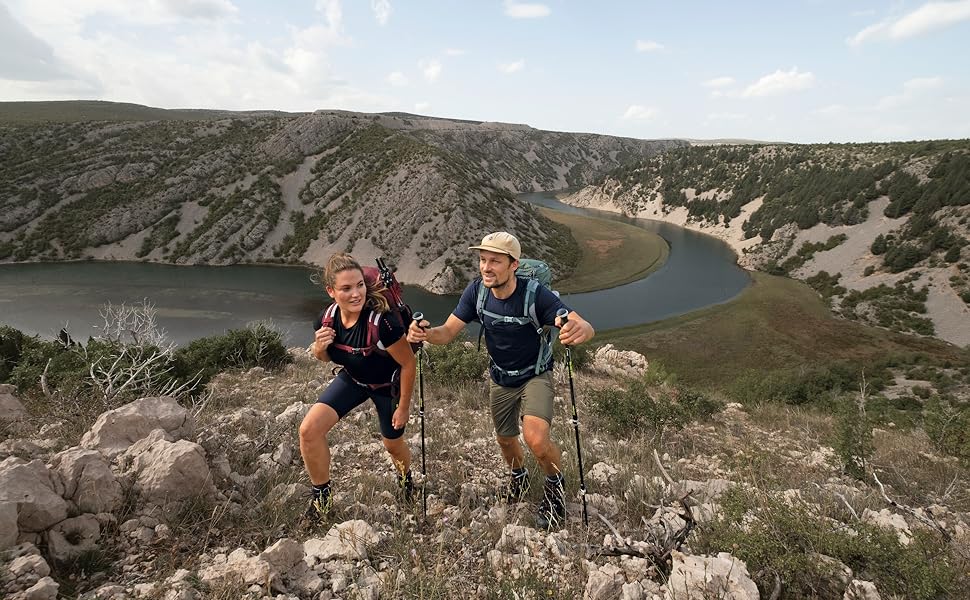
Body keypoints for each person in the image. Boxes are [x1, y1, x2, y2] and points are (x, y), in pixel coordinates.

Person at [407, 231, 594, 529]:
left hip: (535, 374)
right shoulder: (476, 292)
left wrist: (581, 329)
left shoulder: (535, 294)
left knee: (535, 439)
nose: (486, 267)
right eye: (482, 260)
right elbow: (447, 333)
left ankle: (555, 485)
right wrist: (426, 333)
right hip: (500, 377)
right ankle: (518, 478)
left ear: (514, 265)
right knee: (505, 440)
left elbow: (576, 321)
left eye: (495, 261)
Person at [299, 253, 417, 522]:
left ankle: (405, 479)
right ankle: (322, 499)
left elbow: (409, 363)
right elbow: (327, 356)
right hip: (353, 379)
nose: (356, 294)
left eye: (360, 285)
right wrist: (319, 349)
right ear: (331, 291)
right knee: (308, 431)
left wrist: (404, 407)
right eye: (346, 288)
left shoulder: (382, 322)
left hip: (388, 386)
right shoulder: (325, 321)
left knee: (392, 446)